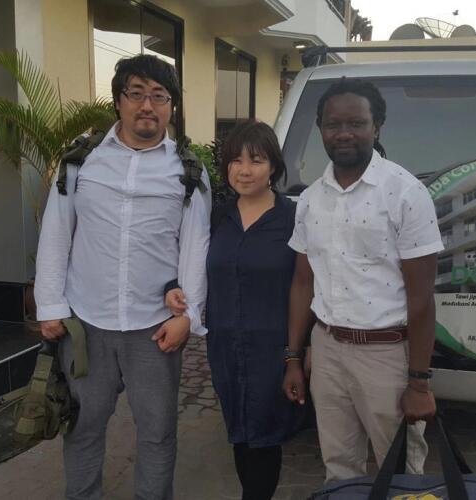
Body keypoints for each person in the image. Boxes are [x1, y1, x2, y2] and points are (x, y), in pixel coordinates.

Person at [34, 55, 211, 500]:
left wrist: (187, 317)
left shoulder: (188, 171)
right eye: (136, 94)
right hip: (86, 322)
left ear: (171, 106)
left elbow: (196, 245)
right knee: (83, 427)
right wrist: (50, 306)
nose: (147, 105)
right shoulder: (81, 160)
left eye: (159, 96)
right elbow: (56, 232)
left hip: (155, 328)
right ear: (118, 101)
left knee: (157, 433)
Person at [282, 78, 444, 483]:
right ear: (321, 129)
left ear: (377, 126)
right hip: (327, 350)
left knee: (400, 469)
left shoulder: (405, 193)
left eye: (356, 123)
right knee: (338, 466)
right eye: (333, 124)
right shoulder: (311, 199)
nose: (343, 133)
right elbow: (303, 282)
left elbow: (422, 299)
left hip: (385, 356)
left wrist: (419, 384)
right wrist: (293, 358)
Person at [165, 120, 307, 500]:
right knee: (240, 434)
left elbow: (307, 286)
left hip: (273, 351)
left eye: (256, 161)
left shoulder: (292, 219)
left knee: (264, 439)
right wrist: (172, 288)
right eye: (235, 161)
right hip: (226, 348)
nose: (244, 170)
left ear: (273, 167)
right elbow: (188, 260)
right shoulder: (217, 217)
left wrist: (298, 354)